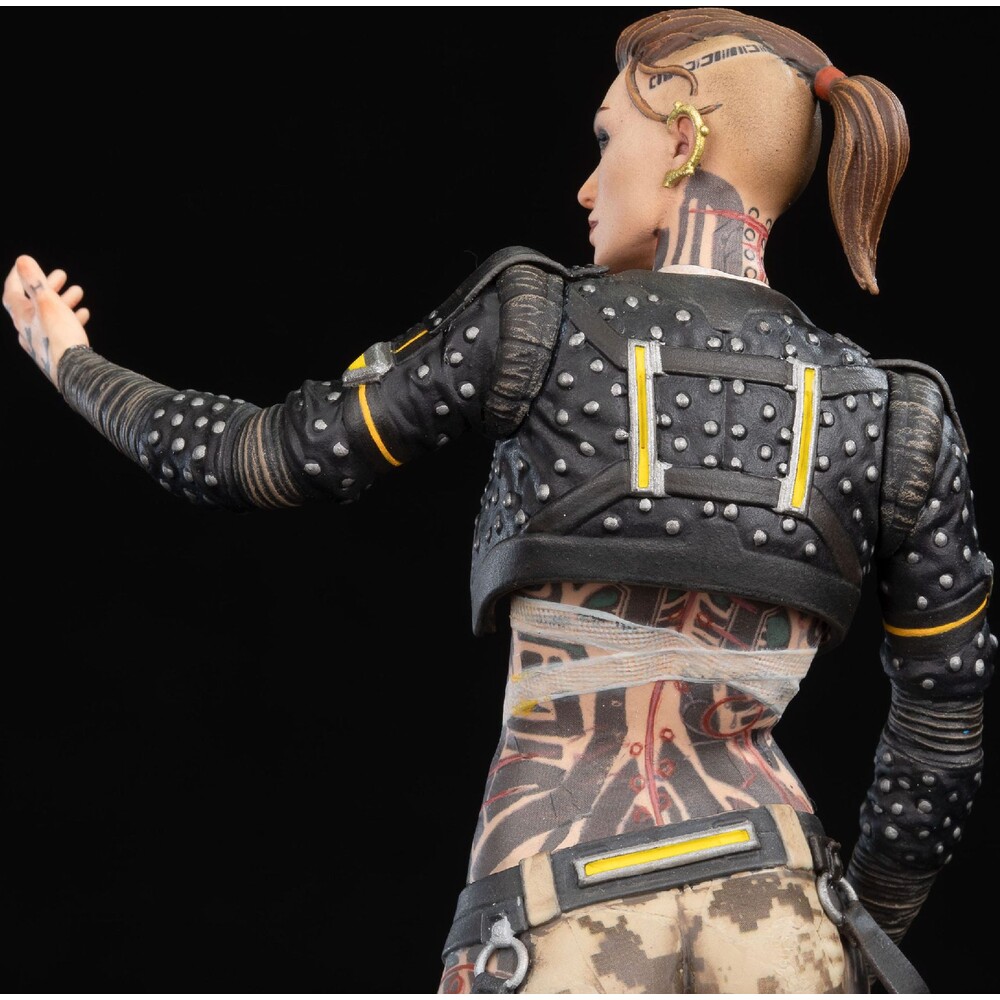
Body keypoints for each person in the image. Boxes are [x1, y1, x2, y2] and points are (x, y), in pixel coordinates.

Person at [4, 8, 993, 993]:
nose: (586, 184)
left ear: (684, 137)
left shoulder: (536, 323)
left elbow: (254, 459)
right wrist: (855, 931)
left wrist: (70, 361)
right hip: (782, 917)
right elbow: (941, 733)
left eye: (606, 138)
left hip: (559, 904)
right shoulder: (895, 414)